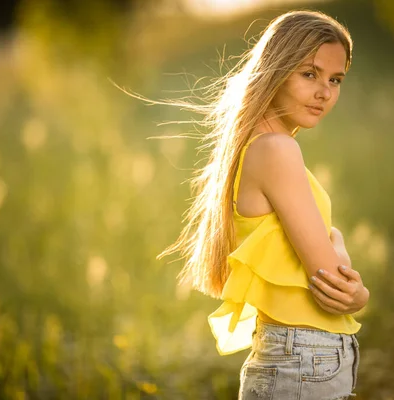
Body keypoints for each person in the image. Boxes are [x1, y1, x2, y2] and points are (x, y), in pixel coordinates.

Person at [156, 9, 370, 399]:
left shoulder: (261, 144)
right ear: (276, 70)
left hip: (297, 360)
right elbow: (331, 279)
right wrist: (354, 281)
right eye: (310, 74)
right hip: (302, 362)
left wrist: (334, 244)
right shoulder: (276, 149)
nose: (324, 92)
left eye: (335, 80)